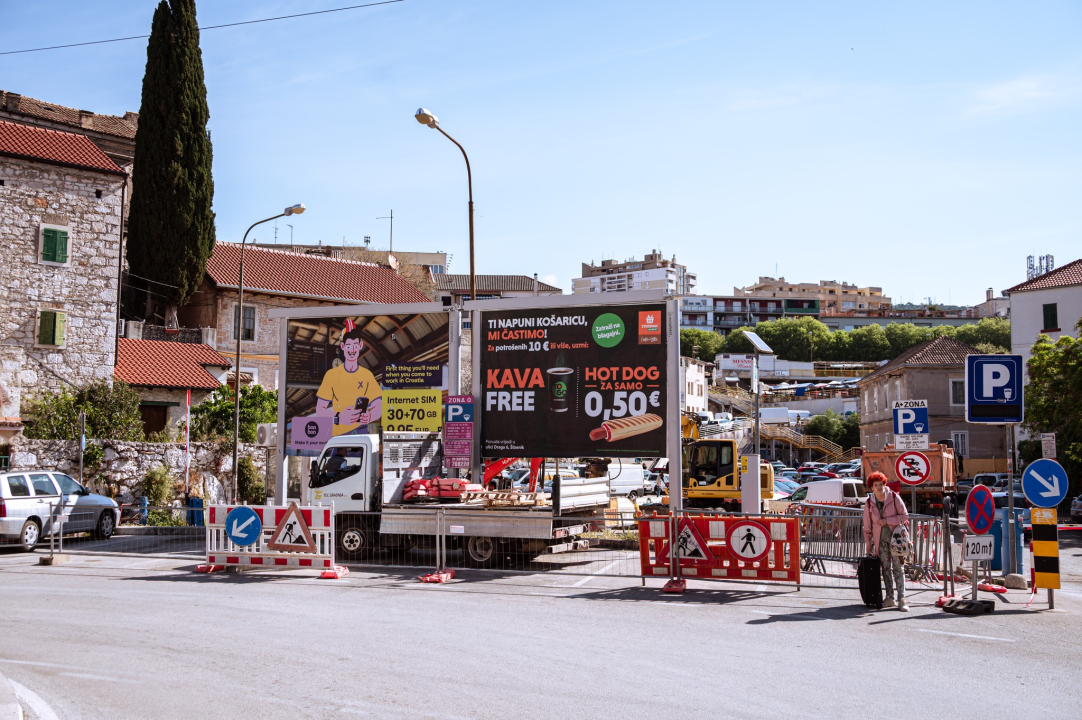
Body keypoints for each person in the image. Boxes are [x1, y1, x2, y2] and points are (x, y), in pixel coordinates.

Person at [314, 319, 383, 436]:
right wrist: (339, 417)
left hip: (360, 437)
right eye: (349, 345)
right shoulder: (332, 375)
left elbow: (379, 406)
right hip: (338, 438)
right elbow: (320, 410)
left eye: (355, 345)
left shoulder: (367, 375)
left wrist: (370, 416)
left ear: (360, 346)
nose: (352, 350)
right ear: (343, 346)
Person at [862, 470, 909, 611]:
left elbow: (904, 516)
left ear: (884, 484)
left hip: (896, 540)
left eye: (881, 484)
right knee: (886, 569)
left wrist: (887, 520)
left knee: (898, 568)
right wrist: (868, 544)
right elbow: (867, 525)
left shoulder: (894, 497)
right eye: (876, 485)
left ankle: (902, 599)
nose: (879, 487)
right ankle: (890, 597)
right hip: (880, 541)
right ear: (871, 487)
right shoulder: (869, 503)